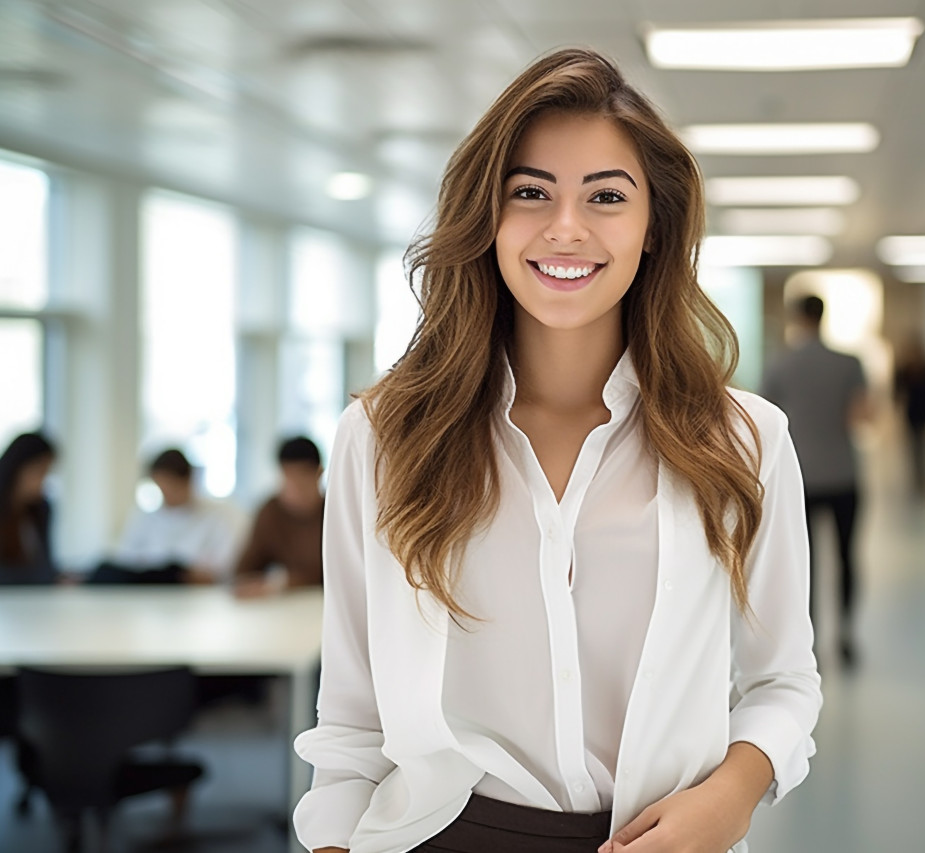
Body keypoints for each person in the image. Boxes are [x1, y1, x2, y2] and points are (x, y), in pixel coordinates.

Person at [294, 48, 821, 853]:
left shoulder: (744, 441)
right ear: (488, 219)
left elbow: (782, 680)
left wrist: (733, 795)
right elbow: (352, 718)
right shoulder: (383, 437)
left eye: (607, 196)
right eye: (530, 192)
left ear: (654, 229)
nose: (565, 227)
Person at [761, 296, 869, 668]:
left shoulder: (780, 363)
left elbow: (765, 418)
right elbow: (860, 417)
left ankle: (807, 642)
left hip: (797, 477)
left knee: (802, 563)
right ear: (822, 317)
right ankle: (846, 634)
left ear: (797, 318)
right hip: (843, 473)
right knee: (846, 556)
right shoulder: (849, 364)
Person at [89, 448, 242, 584]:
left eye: (172, 487)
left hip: (195, 595)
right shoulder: (143, 517)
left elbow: (225, 569)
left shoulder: (220, 516)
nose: (167, 494)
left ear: (188, 480)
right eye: (162, 487)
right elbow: (126, 559)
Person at [233, 436, 325, 598]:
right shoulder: (270, 511)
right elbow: (243, 571)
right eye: (288, 476)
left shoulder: (334, 511)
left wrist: (284, 582)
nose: (294, 485)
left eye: (301, 477)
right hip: (281, 610)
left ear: (318, 473)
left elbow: (336, 572)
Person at [0, 431, 58, 586]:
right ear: (18, 468)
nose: (43, 482)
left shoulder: (42, 509)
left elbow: (46, 567)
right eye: (40, 472)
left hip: (35, 602)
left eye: (47, 473)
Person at [893, 334, 925, 498]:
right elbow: (897, 390)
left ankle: (924, 476)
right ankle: (916, 477)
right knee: (914, 446)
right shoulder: (905, 369)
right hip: (912, 412)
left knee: (924, 446)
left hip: (924, 411)